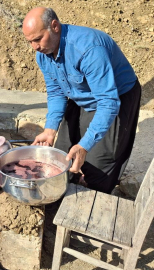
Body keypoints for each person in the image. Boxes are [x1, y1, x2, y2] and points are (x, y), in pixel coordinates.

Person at [22, 7, 141, 194]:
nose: (35, 47)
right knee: (61, 156)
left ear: (54, 26)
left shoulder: (88, 50)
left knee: (99, 165)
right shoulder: (43, 55)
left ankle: (93, 197)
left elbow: (108, 103)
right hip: (83, 96)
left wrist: (85, 145)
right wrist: (50, 129)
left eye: (38, 39)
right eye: (29, 42)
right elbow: (55, 93)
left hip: (116, 97)